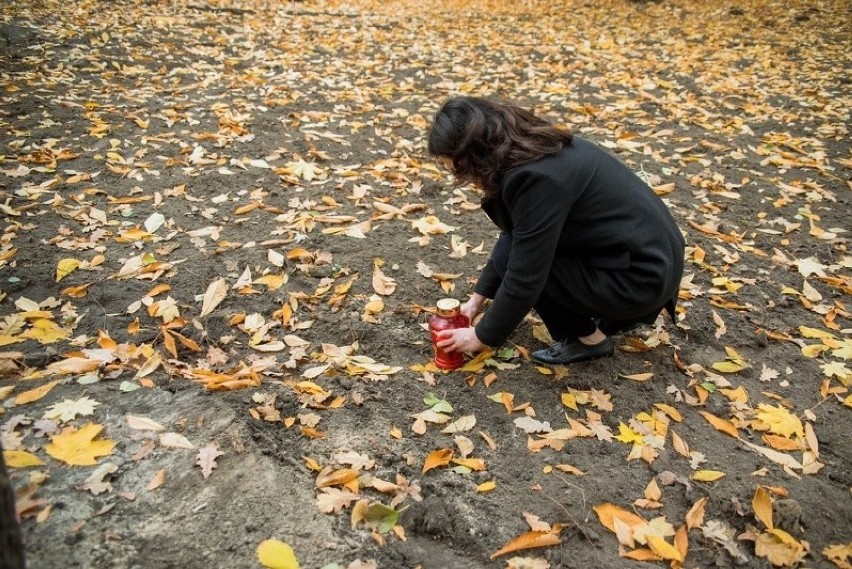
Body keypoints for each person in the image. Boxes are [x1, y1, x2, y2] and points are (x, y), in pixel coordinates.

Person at [428, 96, 684, 365]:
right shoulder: (537, 151)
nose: (459, 176)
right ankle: (597, 312)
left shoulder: (537, 179)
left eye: (456, 169)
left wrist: (481, 336)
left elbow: (525, 275)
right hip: (650, 257)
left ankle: (590, 341)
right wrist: (475, 302)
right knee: (517, 256)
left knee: (527, 268)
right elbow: (518, 232)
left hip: (642, 277)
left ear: (473, 155)